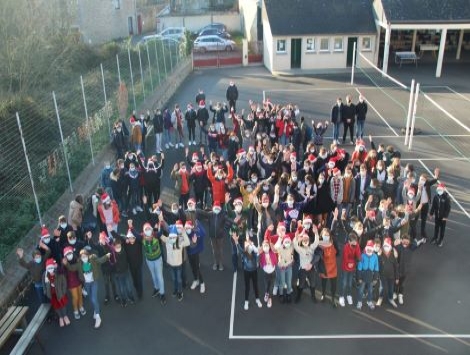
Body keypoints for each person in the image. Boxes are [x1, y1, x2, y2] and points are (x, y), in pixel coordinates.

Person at [63, 248, 111, 329]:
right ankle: (95, 311)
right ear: (80, 257)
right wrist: (66, 264)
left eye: (85, 256)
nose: (84, 258)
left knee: (94, 299)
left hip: (94, 282)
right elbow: (72, 268)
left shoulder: (93, 258)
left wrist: (107, 256)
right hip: (87, 284)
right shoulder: (79, 263)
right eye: (82, 257)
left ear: (88, 255)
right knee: (91, 298)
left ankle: (98, 317)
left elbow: (100, 260)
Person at [232, 230, 263, 310]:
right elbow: (238, 246)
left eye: (249, 245)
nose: (248, 246)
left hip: (254, 272)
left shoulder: (254, 254)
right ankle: (246, 301)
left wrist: (252, 245)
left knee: (255, 286)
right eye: (246, 245)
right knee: (247, 287)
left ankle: (257, 299)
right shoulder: (243, 253)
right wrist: (236, 240)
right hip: (246, 272)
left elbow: (259, 250)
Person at [160, 225, 190, 301]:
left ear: (176, 236)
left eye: (174, 237)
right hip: (171, 264)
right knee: (174, 278)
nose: (172, 238)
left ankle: (180, 292)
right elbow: (160, 235)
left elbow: (188, 242)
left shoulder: (180, 240)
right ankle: (175, 290)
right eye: (171, 237)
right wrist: (160, 223)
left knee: (179, 279)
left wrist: (183, 231)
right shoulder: (167, 240)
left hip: (178, 264)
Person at [43, 258, 70, 327]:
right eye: (48, 268)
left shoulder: (58, 272)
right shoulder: (45, 275)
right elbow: (43, 284)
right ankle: (60, 317)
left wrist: (64, 291)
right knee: (56, 307)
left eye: (51, 267)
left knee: (63, 305)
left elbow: (64, 282)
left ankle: (65, 316)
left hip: (60, 293)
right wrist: (46, 291)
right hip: (52, 294)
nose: (50, 270)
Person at [63, 246, 86, 319]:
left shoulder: (77, 260)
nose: (69, 255)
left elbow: (72, 268)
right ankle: (75, 310)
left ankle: (81, 307)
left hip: (78, 280)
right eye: (67, 254)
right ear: (65, 256)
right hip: (71, 283)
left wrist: (67, 264)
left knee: (80, 295)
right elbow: (62, 272)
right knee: (75, 297)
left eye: (70, 253)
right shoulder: (64, 263)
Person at [356, 240, 379, 310]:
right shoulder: (362, 256)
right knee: (361, 290)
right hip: (363, 275)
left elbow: (376, 268)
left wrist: (375, 278)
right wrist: (359, 277)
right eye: (368, 249)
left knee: (370, 290)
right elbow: (359, 267)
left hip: (371, 276)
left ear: (372, 249)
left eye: (370, 249)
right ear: (366, 248)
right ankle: (359, 302)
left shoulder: (375, 256)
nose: (369, 250)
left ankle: (369, 301)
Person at [429, 183, 451, 247]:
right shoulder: (436, 196)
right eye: (438, 190)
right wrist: (431, 214)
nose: (439, 191)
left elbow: (448, 208)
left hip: (443, 217)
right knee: (436, 227)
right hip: (437, 216)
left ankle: (441, 240)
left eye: (440, 190)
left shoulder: (447, 198)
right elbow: (433, 206)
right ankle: (435, 238)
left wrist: (445, 217)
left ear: (443, 190)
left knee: (442, 229)